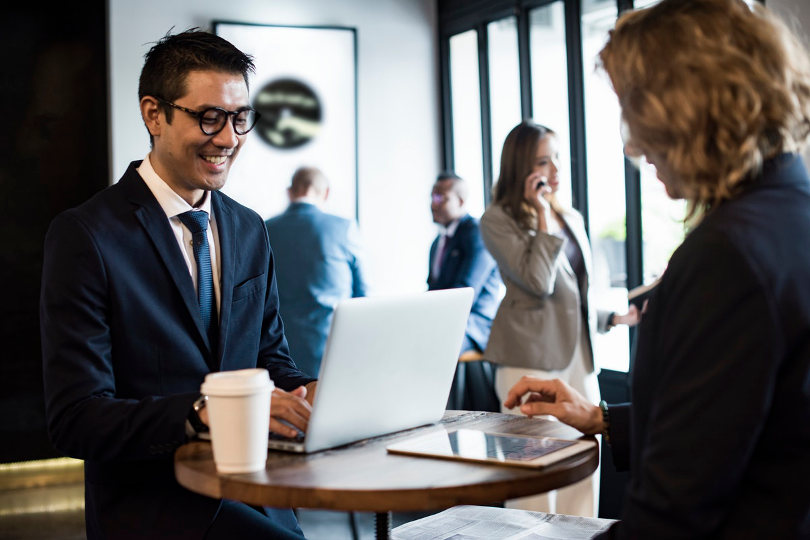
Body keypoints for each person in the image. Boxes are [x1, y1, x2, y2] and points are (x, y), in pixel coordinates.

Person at [504, 0, 810, 537]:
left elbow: (674, 513)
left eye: (633, 113)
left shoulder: (727, 256)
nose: (632, 143)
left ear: (682, 107)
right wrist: (603, 418)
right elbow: (748, 420)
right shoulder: (791, 211)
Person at [40, 29, 317, 540]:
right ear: (154, 114)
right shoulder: (86, 236)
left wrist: (311, 391)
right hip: (157, 510)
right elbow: (76, 417)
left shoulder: (249, 227)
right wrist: (206, 412)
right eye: (209, 117)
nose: (229, 138)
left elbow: (270, 359)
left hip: (262, 495)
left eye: (239, 119)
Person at [480, 121, 638, 517]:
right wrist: (541, 217)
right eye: (542, 161)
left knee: (584, 470)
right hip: (528, 360)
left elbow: (578, 294)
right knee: (534, 478)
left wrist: (615, 316)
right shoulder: (497, 219)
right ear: (521, 168)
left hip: (579, 360)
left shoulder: (571, 218)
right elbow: (538, 282)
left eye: (557, 159)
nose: (554, 171)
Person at [265, 166, 368, 378]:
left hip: (277, 351)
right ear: (326, 192)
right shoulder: (343, 228)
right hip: (331, 347)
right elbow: (362, 294)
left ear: (289, 192)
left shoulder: (264, 229)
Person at [428, 172, 502, 411]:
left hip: (477, 324)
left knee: (433, 345)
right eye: (432, 196)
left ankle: (437, 413)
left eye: (441, 197)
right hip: (449, 322)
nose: (433, 203)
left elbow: (465, 293)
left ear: (460, 201)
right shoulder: (437, 243)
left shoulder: (478, 234)